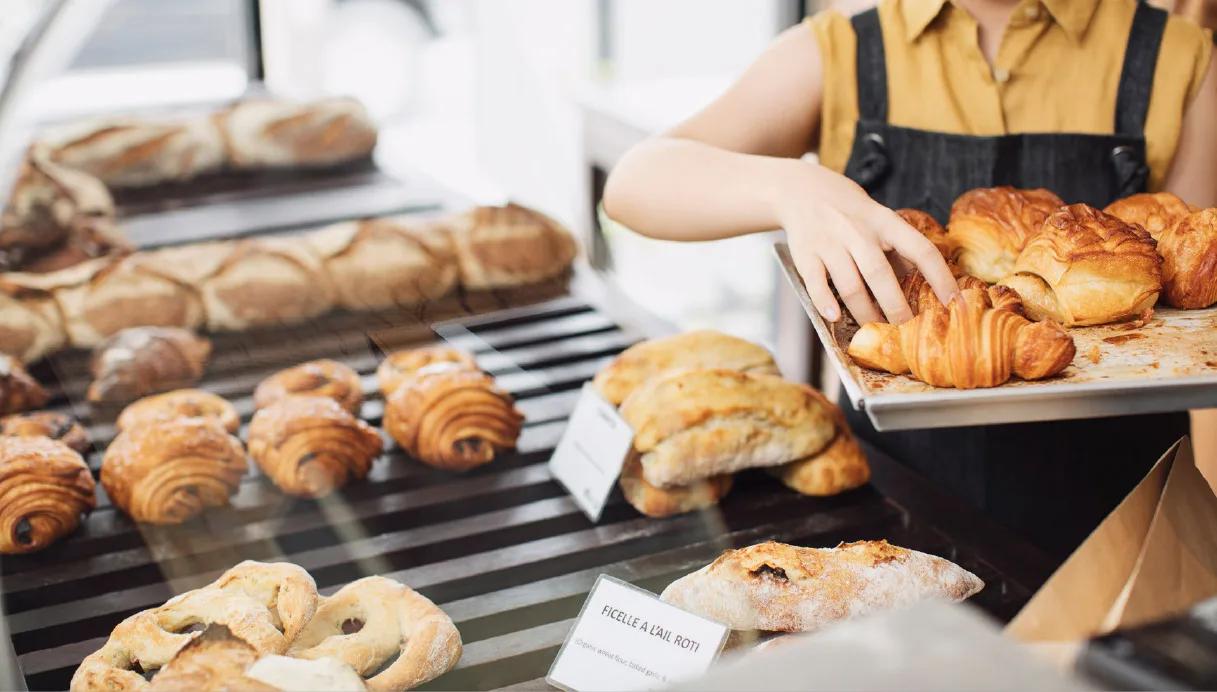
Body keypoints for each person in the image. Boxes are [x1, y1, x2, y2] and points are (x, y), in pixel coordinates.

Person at [603, 0, 1217, 559]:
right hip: (892, 491)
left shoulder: (1178, 59)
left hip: (1124, 502)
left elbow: (1188, 303)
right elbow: (635, 183)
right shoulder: (844, 50)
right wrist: (789, 187)